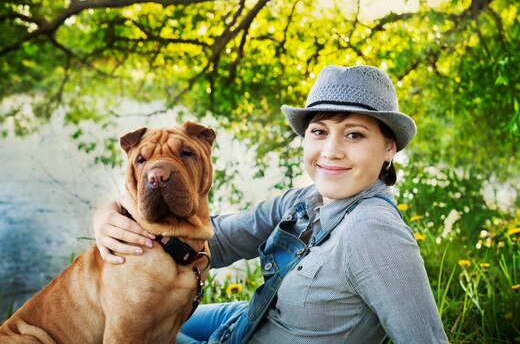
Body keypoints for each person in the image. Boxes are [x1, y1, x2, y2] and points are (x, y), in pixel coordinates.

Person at [93, 65, 449, 344]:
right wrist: (113, 213)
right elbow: (220, 240)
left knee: (105, 332)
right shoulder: (304, 201)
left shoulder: (373, 231)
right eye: (319, 131)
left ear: (389, 149)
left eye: (354, 134)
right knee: (103, 318)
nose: (331, 151)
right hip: (245, 323)